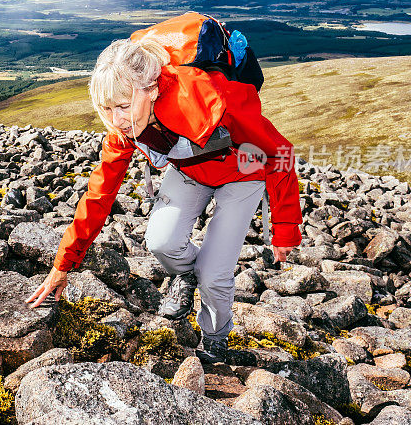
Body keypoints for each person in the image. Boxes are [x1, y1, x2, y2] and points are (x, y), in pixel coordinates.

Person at [25, 19, 303, 363]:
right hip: (189, 169)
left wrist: (286, 229)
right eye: (107, 109)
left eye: (124, 107)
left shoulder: (217, 96)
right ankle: (183, 275)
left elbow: (279, 152)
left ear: (152, 88)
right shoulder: (123, 128)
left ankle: (215, 341)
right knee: (160, 241)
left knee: (215, 273)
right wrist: (62, 265)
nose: (116, 120)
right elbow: (100, 192)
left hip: (243, 173)